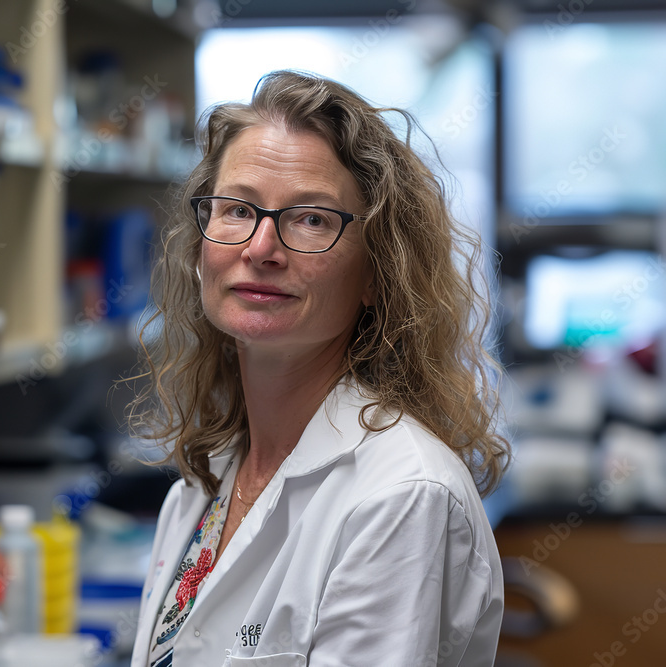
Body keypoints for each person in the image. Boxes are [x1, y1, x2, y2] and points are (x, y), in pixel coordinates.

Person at [126, 70, 510, 667]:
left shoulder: (401, 498)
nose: (260, 248)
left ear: (379, 274)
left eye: (312, 219)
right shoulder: (202, 486)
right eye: (235, 210)